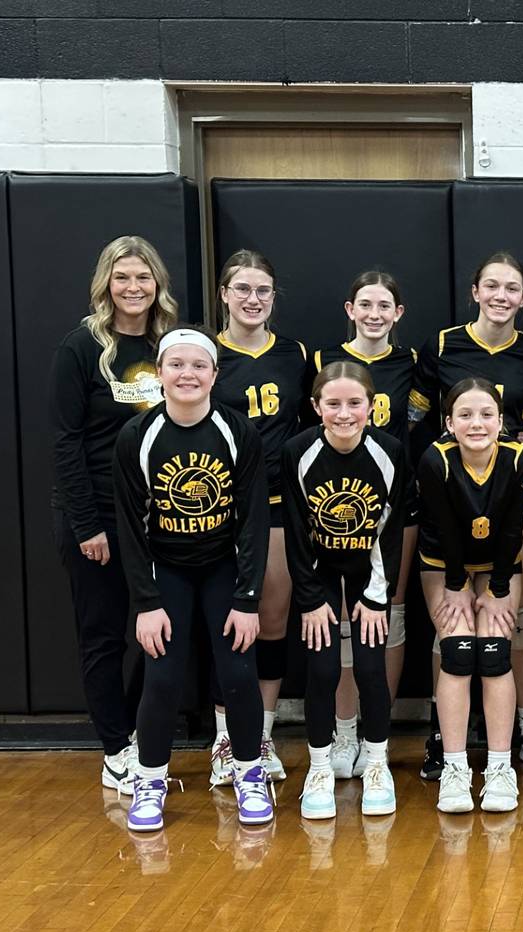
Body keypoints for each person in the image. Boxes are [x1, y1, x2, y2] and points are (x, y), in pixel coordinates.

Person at [113, 327, 271, 832]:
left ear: (214, 375)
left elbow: (253, 520)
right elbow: (130, 527)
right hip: (168, 572)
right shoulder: (137, 437)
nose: (188, 374)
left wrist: (248, 597)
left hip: (224, 568)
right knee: (161, 677)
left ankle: (248, 772)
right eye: (176, 365)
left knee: (240, 674)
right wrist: (145, 601)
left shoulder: (237, 431)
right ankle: (150, 780)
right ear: (159, 374)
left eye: (199, 365)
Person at [411, 254, 523, 777]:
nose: (499, 294)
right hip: (453, 496)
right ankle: (441, 738)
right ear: (474, 290)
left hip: (509, 494)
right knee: (450, 627)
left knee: (514, 623)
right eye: (490, 284)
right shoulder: (444, 344)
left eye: (510, 287)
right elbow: (418, 414)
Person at [51, 235, 176, 795]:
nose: (133, 288)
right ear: (106, 283)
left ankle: (136, 732)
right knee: (104, 637)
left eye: (143, 278)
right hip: (97, 515)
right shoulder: (80, 348)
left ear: (157, 285)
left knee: (160, 636)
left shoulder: (170, 344)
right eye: (122, 277)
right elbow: (65, 444)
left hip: (156, 515)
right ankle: (115, 749)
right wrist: (87, 525)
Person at [282, 361, 407, 821]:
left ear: (372, 408)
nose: (344, 413)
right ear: (317, 407)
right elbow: (296, 534)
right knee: (322, 671)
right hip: (318, 574)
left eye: (354, 403)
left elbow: (389, 534)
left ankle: (376, 763)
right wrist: (311, 597)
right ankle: (318, 767)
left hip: (367, 571)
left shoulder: (390, 452)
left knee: (372, 672)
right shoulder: (297, 451)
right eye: (332, 403)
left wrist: (377, 595)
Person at [210, 249, 311, 784]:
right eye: (242, 288)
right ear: (224, 293)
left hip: (275, 506)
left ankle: (263, 732)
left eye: (263, 291)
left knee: (271, 622)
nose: (253, 299)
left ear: (274, 298)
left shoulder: (295, 353)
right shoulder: (204, 352)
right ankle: (227, 740)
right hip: (216, 507)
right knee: (226, 623)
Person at [312, 272, 418, 778]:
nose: (375, 314)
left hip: (393, 507)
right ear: (350, 309)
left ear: (399, 313)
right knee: (339, 621)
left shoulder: (413, 363)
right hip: (335, 506)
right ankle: (344, 726)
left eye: (386, 306)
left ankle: (379, 729)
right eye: (366, 304)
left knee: (384, 613)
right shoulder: (325, 362)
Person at [417, 377, 523, 814]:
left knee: (494, 652)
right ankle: (454, 768)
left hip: (498, 564)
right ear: (448, 422)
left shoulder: (520, 458)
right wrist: (457, 586)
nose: (476, 423)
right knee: (458, 650)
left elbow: (511, 530)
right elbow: (445, 530)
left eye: (486, 414)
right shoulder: (436, 460)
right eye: (465, 414)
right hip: (444, 564)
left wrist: (499, 589)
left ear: (501, 420)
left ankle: (500, 767)